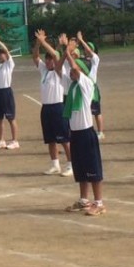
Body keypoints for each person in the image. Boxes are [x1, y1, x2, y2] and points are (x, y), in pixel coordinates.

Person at [60, 39, 105, 216]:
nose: (71, 72)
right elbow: (58, 68)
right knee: (80, 169)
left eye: (74, 69)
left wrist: (68, 50)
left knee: (93, 168)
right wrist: (65, 52)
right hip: (76, 133)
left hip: (86, 133)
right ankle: (84, 200)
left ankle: (99, 203)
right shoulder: (71, 87)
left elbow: (75, 69)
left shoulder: (86, 84)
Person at [33, 30, 73, 177]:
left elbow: (56, 55)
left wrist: (44, 42)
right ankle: (55, 164)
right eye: (47, 59)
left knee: (64, 138)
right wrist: (38, 43)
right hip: (46, 108)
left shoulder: (59, 70)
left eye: (50, 59)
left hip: (58, 107)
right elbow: (35, 56)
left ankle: (70, 164)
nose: (49, 61)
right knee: (50, 139)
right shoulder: (44, 70)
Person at [0, 30, 19, 150]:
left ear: (6, 56)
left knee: (11, 118)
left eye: (1, 54)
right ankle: (1, 140)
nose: (0, 55)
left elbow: (6, 50)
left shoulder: (9, 64)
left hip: (6, 92)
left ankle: (15, 140)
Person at [77, 31, 104, 140]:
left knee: (97, 111)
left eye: (88, 48)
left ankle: (100, 132)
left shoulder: (95, 60)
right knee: (86, 110)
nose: (86, 50)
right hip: (84, 88)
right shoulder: (83, 60)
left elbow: (88, 51)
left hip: (92, 89)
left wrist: (81, 40)